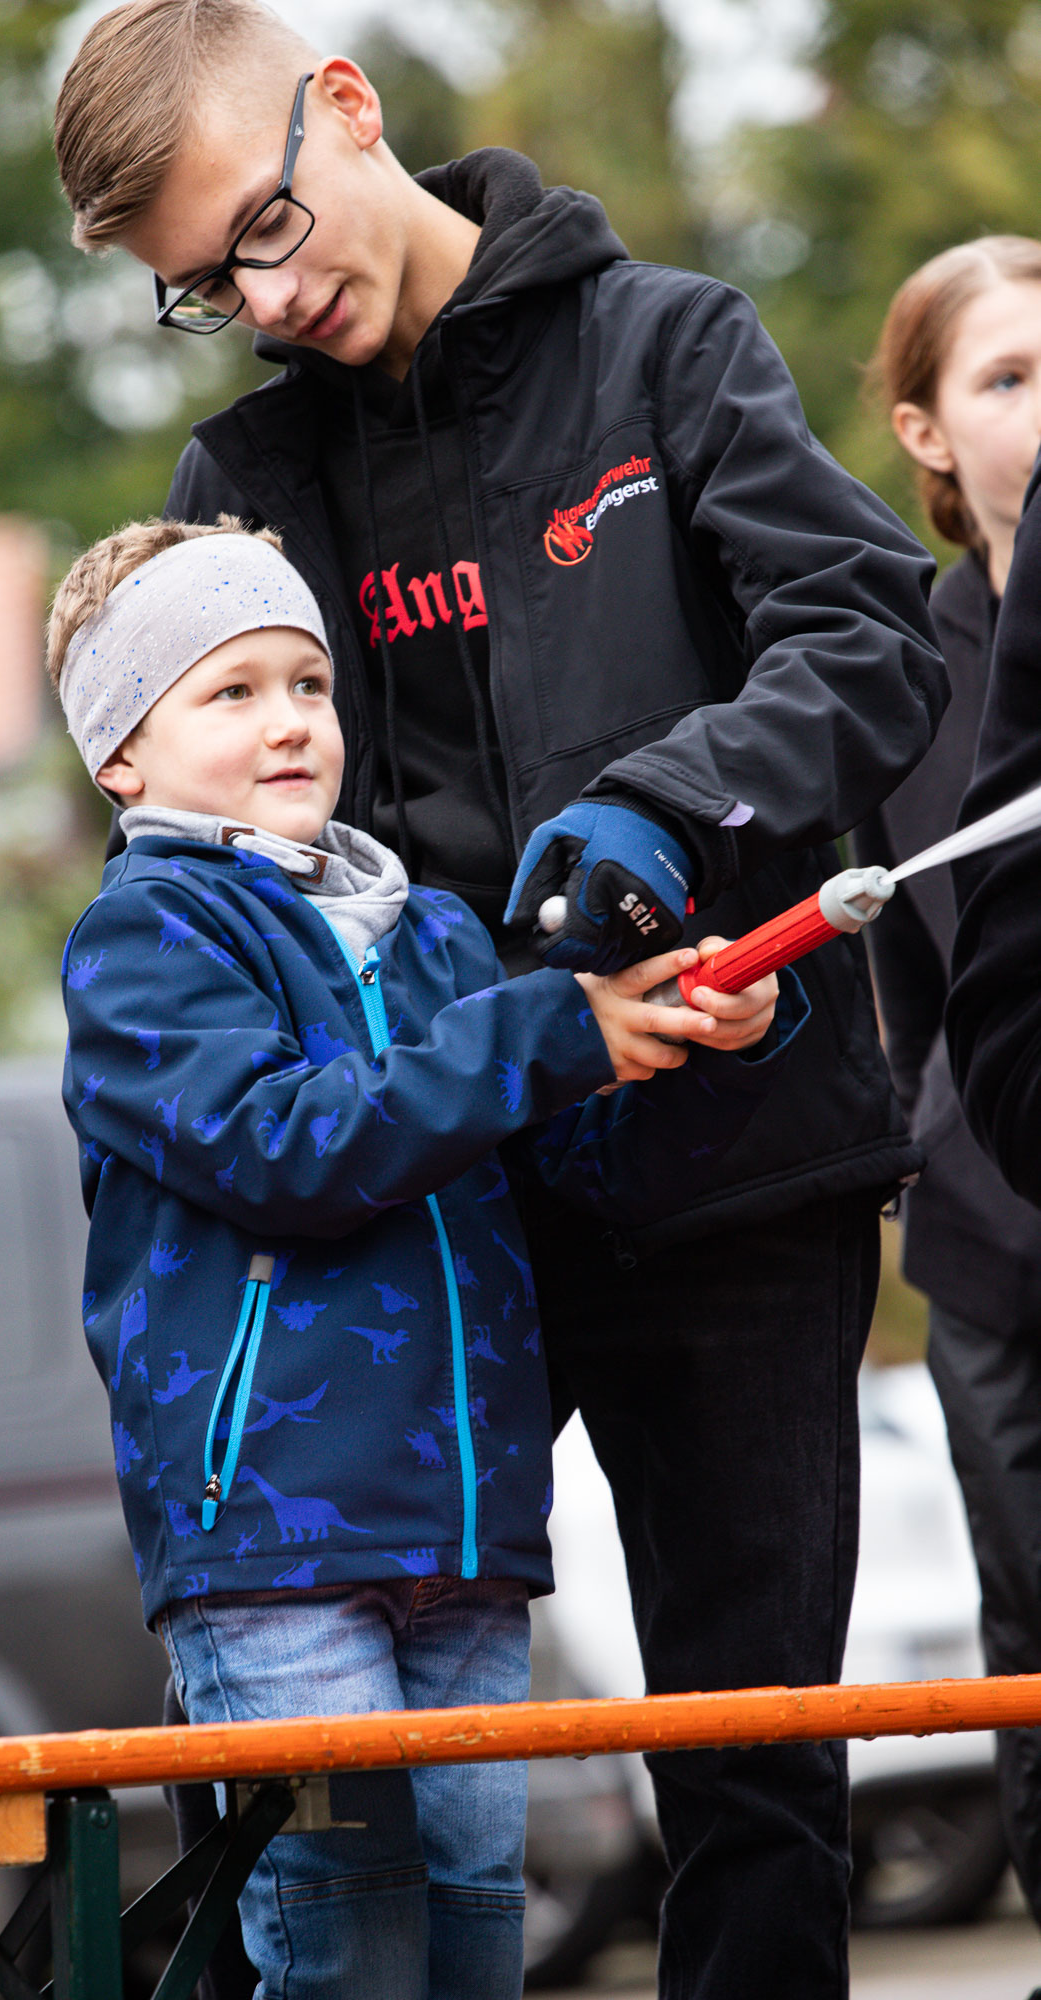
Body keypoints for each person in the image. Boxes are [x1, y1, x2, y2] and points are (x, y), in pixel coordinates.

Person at [53, 9, 948, 1992]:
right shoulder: (247, 469)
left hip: (735, 1164)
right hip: (432, 1218)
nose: (271, 297)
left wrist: (670, 806)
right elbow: (220, 836)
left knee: (747, 1766)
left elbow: (864, 633)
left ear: (346, 105)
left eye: (272, 226)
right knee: (328, 1792)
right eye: (212, 285)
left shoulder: (669, 344)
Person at [54, 515, 797, 2000]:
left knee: (474, 1939)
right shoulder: (145, 937)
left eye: (310, 684)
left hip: (466, 1538)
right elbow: (287, 1147)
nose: (289, 722)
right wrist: (544, 1030)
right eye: (231, 690)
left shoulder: (443, 935)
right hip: (277, 1550)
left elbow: (558, 1174)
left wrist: (694, 1046)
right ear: (119, 755)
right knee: (347, 1947)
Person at [854, 237, 1041, 1923]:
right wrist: (928, 1157)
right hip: (988, 1245)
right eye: (1009, 376)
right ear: (925, 431)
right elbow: (900, 972)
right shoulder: (901, 676)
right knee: (1031, 1623)